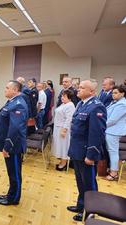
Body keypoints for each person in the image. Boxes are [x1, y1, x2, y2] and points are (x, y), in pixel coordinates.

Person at [67, 79, 107, 222]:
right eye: (79, 87)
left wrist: (91, 155)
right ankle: (81, 205)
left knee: (89, 185)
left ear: (92, 91)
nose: (78, 89)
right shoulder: (81, 104)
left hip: (86, 154)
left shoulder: (97, 107)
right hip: (77, 151)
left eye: (82, 88)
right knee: (80, 181)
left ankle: (89, 213)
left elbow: (97, 134)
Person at [0, 80, 28, 205]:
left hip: (14, 146)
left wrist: (7, 147)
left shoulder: (18, 104)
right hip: (11, 145)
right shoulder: (13, 102)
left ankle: (14, 198)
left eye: (7, 88)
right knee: (11, 172)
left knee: (15, 174)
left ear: (15, 90)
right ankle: (10, 194)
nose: (5, 89)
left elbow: (15, 129)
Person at [105, 84, 126, 181]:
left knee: (113, 152)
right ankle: (112, 169)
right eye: (113, 93)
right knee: (111, 151)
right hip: (110, 130)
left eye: (116, 93)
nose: (113, 94)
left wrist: (101, 126)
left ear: (122, 93)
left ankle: (114, 173)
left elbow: (113, 120)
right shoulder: (115, 102)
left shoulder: (122, 104)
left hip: (114, 131)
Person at [51, 89, 75, 171]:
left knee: (64, 146)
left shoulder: (70, 105)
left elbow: (69, 119)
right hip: (57, 128)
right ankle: (61, 160)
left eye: (64, 96)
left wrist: (64, 130)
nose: (62, 97)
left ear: (69, 97)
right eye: (62, 96)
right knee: (59, 146)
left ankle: (64, 163)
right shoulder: (64, 104)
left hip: (63, 129)